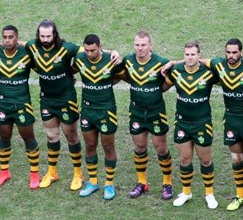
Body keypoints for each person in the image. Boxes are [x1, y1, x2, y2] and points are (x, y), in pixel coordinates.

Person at [24, 20, 84, 191]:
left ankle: (78, 174)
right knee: (51, 136)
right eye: (42, 36)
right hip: (47, 99)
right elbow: (19, 43)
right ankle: (52, 173)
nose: (45, 39)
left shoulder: (66, 48)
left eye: (48, 36)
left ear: (55, 34)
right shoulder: (33, 46)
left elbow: (87, 51)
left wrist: (113, 52)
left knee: (71, 136)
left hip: (66, 99)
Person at [205, 39, 243, 213]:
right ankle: (240, 195)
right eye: (228, 52)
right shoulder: (219, 65)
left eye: (234, 52)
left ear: (241, 52)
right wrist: (172, 63)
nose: (231, 56)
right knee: (236, 159)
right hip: (230, 119)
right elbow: (197, 60)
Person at [161, 42, 219, 209]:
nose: (190, 57)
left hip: (202, 123)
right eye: (187, 54)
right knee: (185, 158)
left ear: (199, 55)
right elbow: (162, 87)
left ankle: (209, 194)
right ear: (183, 55)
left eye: (193, 54)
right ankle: (186, 192)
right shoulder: (176, 71)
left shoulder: (209, 73)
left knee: (205, 160)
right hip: (182, 123)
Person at [119, 31, 174, 200]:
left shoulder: (161, 63)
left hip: (156, 112)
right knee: (140, 148)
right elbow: (126, 78)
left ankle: (167, 183)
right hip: (136, 112)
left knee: (161, 148)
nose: (140, 48)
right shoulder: (128, 60)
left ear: (151, 45)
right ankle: (142, 182)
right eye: (137, 45)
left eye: (143, 45)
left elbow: (166, 84)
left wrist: (171, 64)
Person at [73, 34, 125, 200]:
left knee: (108, 147)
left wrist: (106, 84)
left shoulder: (111, 59)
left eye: (93, 50)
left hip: (106, 110)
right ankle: (93, 181)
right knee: (89, 145)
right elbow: (71, 70)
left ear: (100, 46)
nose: (89, 53)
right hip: (88, 110)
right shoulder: (80, 58)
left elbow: (122, 75)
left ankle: (109, 184)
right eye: (87, 50)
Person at [0, 25, 41, 188]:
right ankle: (4, 172)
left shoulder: (27, 54)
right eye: (4, 37)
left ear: (17, 37)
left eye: (11, 37)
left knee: (28, 138)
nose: (7, 40)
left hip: (22, 104)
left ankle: (34, 174)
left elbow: (43, 70)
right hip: (4, 105)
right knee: (4, 138)